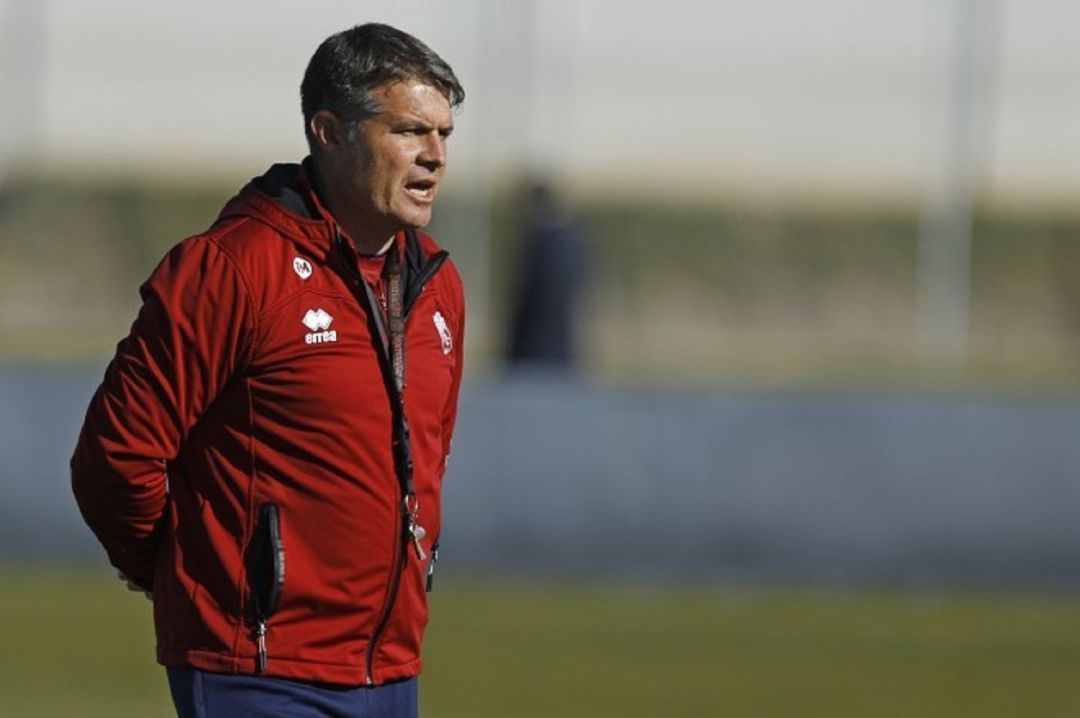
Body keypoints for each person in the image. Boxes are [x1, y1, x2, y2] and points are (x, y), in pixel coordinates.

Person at [71, 23, 465, 718]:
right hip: (256, 668)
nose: (435, 156)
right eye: (409, 131)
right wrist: (185, 574)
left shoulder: (437, 285)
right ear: (329, 131)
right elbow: (117, 455)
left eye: (444, 134)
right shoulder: (233, 267)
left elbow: (427, 459)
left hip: (392, 666)